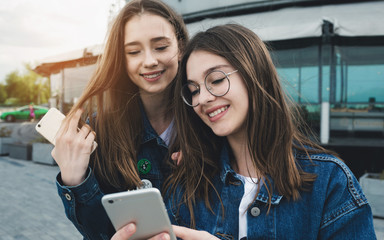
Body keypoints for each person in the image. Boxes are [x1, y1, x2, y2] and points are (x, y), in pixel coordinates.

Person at [113, 24, 376, 239]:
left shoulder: (329, 182)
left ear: (255, 75)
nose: (202, 98)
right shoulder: (188, 185)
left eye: (216, 80)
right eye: (193, 90)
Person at [51, 0, 188, 239]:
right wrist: (74, 179)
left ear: (181, 48)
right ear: (121, 59)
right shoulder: (99, 130)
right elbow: (97, 232)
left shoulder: (207, 119)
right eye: (134, 51)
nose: (149, 61)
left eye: (161, 47)